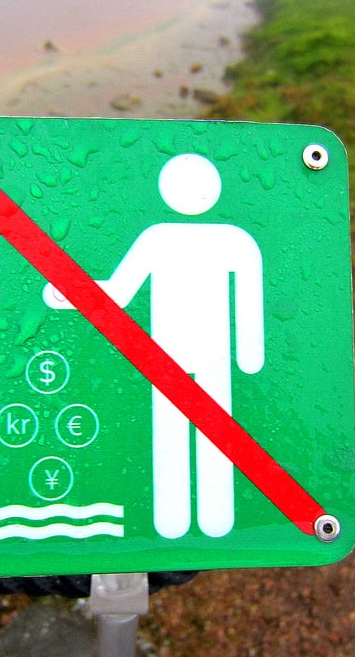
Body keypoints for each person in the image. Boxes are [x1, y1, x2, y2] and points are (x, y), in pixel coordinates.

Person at [43, 154, 264, 538]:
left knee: (203, 434)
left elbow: (248, 294)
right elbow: (122, 292)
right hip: (172, 357)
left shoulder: (218, 240)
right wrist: (73, 292)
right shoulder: (173, 239)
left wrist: (250, 353)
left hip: (199, 357)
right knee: (179, 434)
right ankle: (181, 521)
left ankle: (206, 520)